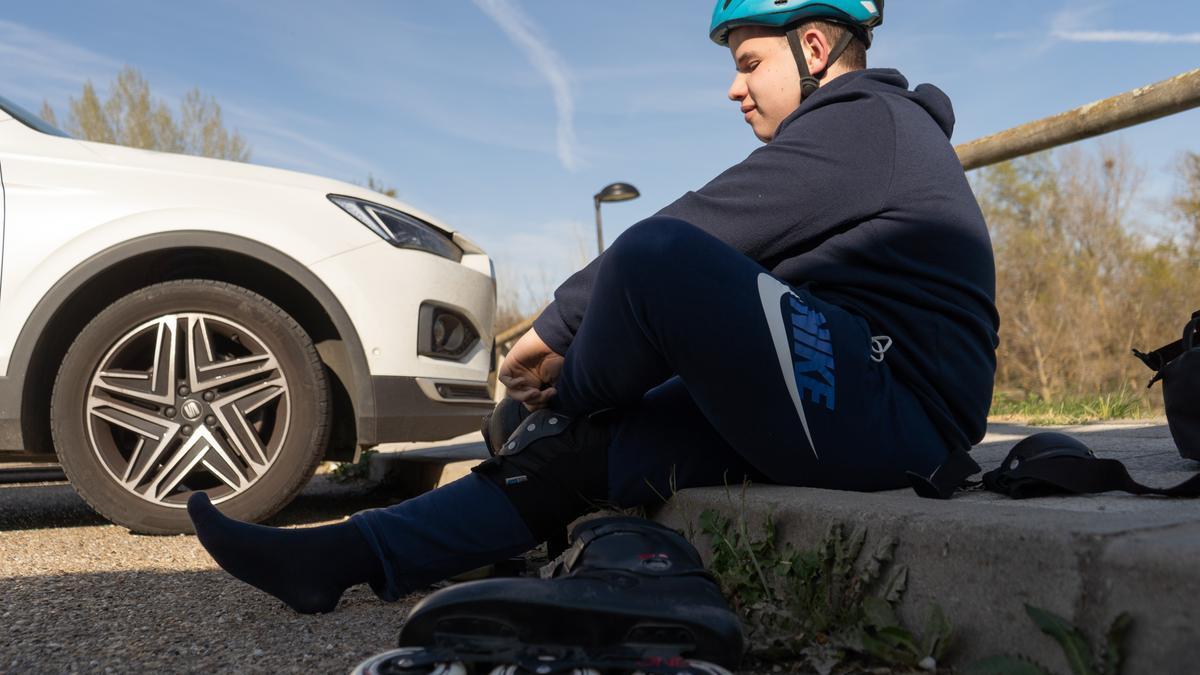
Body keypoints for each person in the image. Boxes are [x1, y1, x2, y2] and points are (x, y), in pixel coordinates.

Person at [187, 0, 998, 614]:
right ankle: (343, 559)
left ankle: (552, 409)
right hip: (849, 383)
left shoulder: (869, 122)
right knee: (588, 449)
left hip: (899, 411)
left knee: (655, 258)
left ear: (813, 47)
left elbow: (695, 229)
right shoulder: (854, 139)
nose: (734, 87)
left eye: (749, 62)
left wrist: (557, 334)